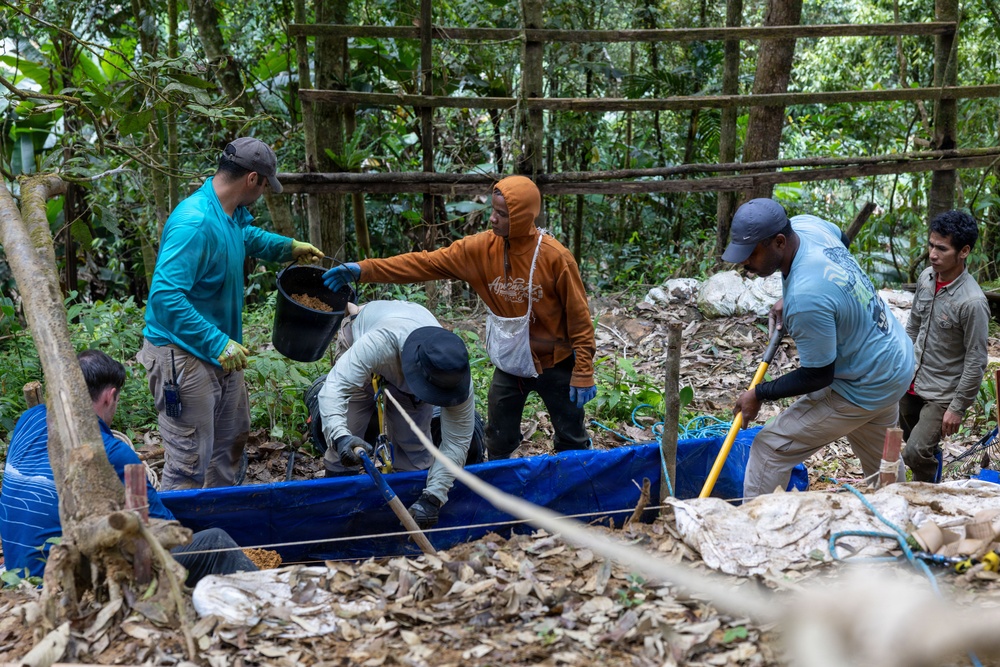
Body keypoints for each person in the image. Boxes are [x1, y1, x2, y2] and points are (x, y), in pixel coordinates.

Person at [321, 175, 597, 461]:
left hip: (555, 362)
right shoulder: (479, 250)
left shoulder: (555, 258)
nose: (492, 219)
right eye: (492, 210)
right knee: (500, 437)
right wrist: (363, 269)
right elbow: (423, 263)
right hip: (511, 362)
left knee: (571, 435)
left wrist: (583, 371)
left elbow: (579, 317)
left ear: (523, 216)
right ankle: (498, 490)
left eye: (501, 214)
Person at [139, 137, 323, 491]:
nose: (266, 190)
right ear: (252, 179)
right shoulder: (194, 223)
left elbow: (246, 236)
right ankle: (178, 541)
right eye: (266, 183)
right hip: (184, 354)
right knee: (189, 463)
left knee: (229, 448)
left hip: (221, 351)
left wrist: (288, 247)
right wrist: (217, 341)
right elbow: (164, 297)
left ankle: (218, 530)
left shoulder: (230, 212)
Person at [0, 350, 257, 586]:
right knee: (216, 542)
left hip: (18, 572)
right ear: (110, 396)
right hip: (63, 582)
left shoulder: (29, 418)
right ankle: (271, 604)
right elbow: (166, 532)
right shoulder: (111, 453)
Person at [724, 198, 915, 499]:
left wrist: (758, 394)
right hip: (894, 359)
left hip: (865, 382)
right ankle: (901, 514)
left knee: (769, 447)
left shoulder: (806, 298)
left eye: (750, 253)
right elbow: (841, 242)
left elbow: (817, 376)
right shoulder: (807, 225)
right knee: (882, 458)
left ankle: (756, 531)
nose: (743, 262)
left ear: (779, 242)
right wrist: (812, 293)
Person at [314, 300, 475, 529]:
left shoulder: (454, 374)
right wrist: (340, 437)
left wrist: (433, 498)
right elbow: (335, 388)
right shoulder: (378, 343)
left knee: (415, 448)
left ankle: (409, 510)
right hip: (364, 339)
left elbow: (457, 441)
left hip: (409, 366)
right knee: (351, 427)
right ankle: (335, 514)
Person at [900, 211, 989, 483]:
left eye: (942, 248)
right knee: (903, 437)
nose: (932, 254)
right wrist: (899, 366)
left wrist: (957, 408)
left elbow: (976, 360)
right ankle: (927, 467)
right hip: (912, 379)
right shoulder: (927, 278)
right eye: (930, 245)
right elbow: (913, 326)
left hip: (942, 392)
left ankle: (925, 494)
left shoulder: (972, 302)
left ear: (963, 251)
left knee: (915, 453)